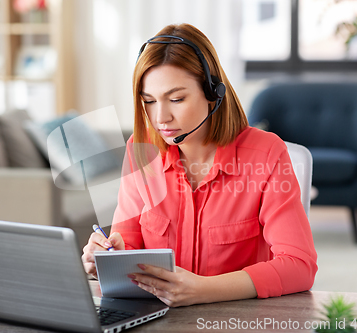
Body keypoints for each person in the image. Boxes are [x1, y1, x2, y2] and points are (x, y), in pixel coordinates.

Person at [82, 23, 317, 307]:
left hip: (236, 320)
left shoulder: (266, 154)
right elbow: (127, 239)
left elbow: (298, 265)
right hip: (160, 319)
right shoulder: (141, 151)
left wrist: (203, 290)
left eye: (176, 99)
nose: (161, 118)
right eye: (149, 101)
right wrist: (107, 255)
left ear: (212, 92)